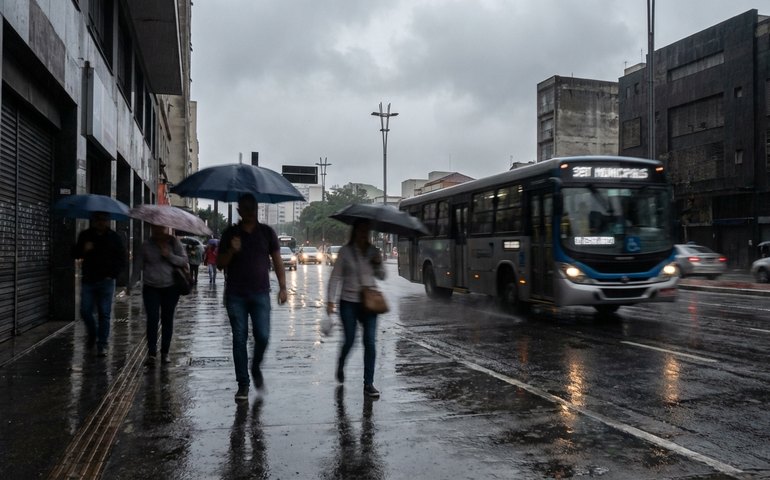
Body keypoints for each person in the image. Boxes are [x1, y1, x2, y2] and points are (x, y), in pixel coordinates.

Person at [218, 194, 287, 402]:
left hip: (260, 293)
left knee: (263, 336)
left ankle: (255, 365)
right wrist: (232, 250)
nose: (248, 212)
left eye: (252, 208)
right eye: (244, 208)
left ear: (257, 209)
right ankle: (243, 384)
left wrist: (283, 287)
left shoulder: (267, 233)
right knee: (239, 338)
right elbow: (220, 264)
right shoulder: (230, 233)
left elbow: (277, 261)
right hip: (235, 294)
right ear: (239, 210)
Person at [326, 219, 386, 398]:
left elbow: (382, 276)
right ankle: (341, 362)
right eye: (361, 231)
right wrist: (330, 301)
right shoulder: (345, 252)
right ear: (355, 232)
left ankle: (368, 383)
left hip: (369, 303)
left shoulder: (373, 252)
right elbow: (335, 278)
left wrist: (378, 263)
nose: (363, 234)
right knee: (350, 339)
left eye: (366, 231)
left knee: (370, 341)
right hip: (348, 302)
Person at [72, 211, 127, 356]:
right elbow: (75, 253)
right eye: (98, 219)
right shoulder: (86, 236)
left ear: (108, 221)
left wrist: (113, 274)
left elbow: (122, 259)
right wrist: (83, 249)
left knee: (104, 313)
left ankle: (102, 344)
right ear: (93, 220)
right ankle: (92, 333)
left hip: (107, 281)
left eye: (104, 219)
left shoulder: (114, 237)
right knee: (85, 311)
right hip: (89, 280)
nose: (101, 222)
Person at [139, 224, 188, 366]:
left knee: (167, 319)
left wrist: (169, 255)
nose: (158, 230)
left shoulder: (174, 242)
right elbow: (138, 264)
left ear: (165, 228)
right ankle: (152, 353)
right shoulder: (146, 244)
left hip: (171, 287)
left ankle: (165, 352)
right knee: (152, 319)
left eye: (161, 227)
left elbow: (184, 261)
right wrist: (130, 284)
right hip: (151, 287)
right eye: (155, 228)